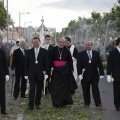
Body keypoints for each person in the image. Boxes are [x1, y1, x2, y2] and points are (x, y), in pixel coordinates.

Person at [24, 37, 49, 110]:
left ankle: (37, 103)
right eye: (34, 42)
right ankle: (30, 105)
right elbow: (26, 64)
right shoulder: (28, 52)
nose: (35, 44)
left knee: (39, 89)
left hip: (40, 73)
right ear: (32, 43)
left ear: (39, 42)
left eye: (36, 42)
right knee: (31, 89)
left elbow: (46, 63)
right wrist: (25, 73)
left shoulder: (45, 51)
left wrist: (47, 73)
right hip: (31, 73)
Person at [77, 41, 104, 107]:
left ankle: (98, 103)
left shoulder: (96, 53)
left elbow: (100, 64)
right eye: (86, 45)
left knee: (95, 89)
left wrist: (102, 74)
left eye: (88, 45)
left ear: (91, 46)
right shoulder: (81, 54)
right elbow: (79, 65)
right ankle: (87, 103)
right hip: (85, 75)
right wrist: (79, 74)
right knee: (85, 90)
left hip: (94, 75)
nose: (87, 46)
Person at [49, 37, 73, 108]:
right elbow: (50, 60)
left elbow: (70, 61)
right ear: (57, 42)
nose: (62, 43)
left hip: (64, 72)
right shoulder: (53, 49)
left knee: (63, 89)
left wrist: (70, 70)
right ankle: (56, 103)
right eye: (60, 42)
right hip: (55, 71)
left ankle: (62, 103)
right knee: (55, 88)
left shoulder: (67, 50)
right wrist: (51, 68)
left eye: (63, 42)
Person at [107, 37, 120, 111]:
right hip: (116, 75)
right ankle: (117, 105)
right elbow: (109, 64)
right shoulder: (113, 52)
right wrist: (109, 75)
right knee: (117, 90)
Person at [0, 46, 9, 115]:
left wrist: (7, 73)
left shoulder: (2, 51)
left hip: (1, 75)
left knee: (2, 93)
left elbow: (5, 63)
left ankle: (3, 110)